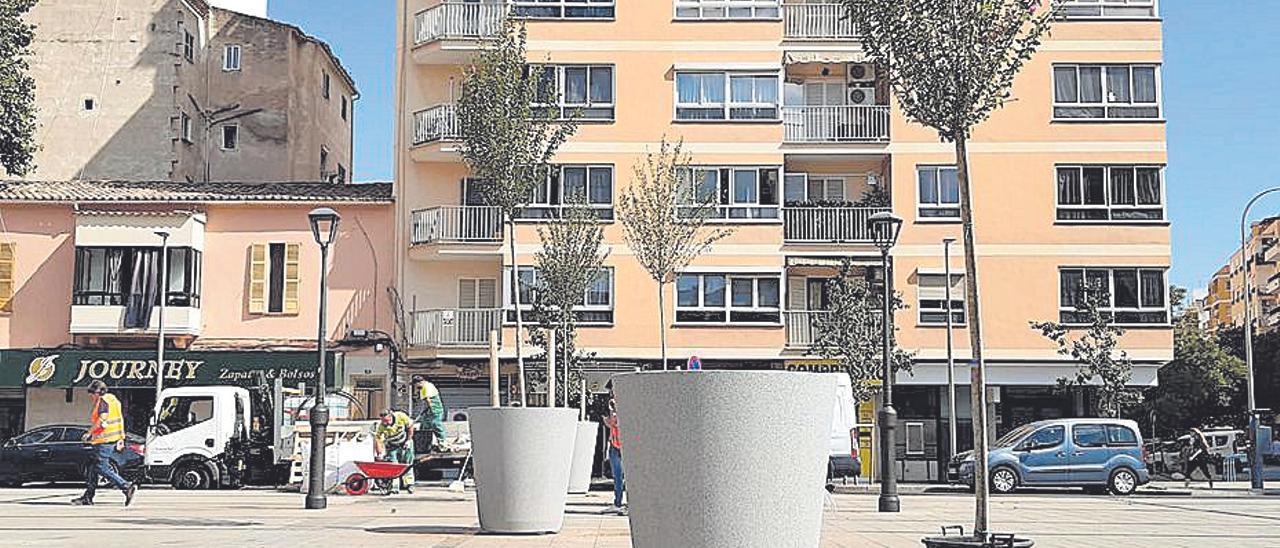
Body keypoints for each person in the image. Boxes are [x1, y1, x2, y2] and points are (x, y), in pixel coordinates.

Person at [72, 380, 137, 506]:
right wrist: (121, 438)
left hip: (104, 441)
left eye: (91, 393)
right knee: (92, 468)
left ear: (97, 392)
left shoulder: (103, 401)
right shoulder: (114, 400)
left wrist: (89, 433)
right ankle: (88, 496)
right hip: (111, 438)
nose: (91, 396)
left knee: (101, 467)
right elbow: (120, 419)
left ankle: (126, 486)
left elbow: (103, 419)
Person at [375, 409, 416, 494]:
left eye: (387, 421)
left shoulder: (400, 416)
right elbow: (378, 439)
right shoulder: (381, 426)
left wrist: (408, 440)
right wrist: (380, 453)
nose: (385, 423)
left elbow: (410, 426)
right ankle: (395, 487)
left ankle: (409, 484)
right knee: (394, 466)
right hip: (392, 446)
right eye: (383, 421)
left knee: (407, 463)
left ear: (391, 416)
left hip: (404, 442)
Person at [604, 395, 626, 515]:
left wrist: (614, 412)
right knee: (617, 477)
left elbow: (615, 422)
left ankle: (629, 504)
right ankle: (617, 503)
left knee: (628, 478)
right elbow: (609, 422)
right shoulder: (611, 406)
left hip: (625, 446)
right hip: (614, 445)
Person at [413, 376, 446, 452]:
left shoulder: (425, 387)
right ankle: (424, 445)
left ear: (419, 382)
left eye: (415, 385)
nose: (415, 387)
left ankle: (443, 444)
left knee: (435, 424)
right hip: (429, 410)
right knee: (424, 426)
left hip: (434, 409)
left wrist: (427, 410)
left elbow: (428, 401)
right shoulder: (427, 386)